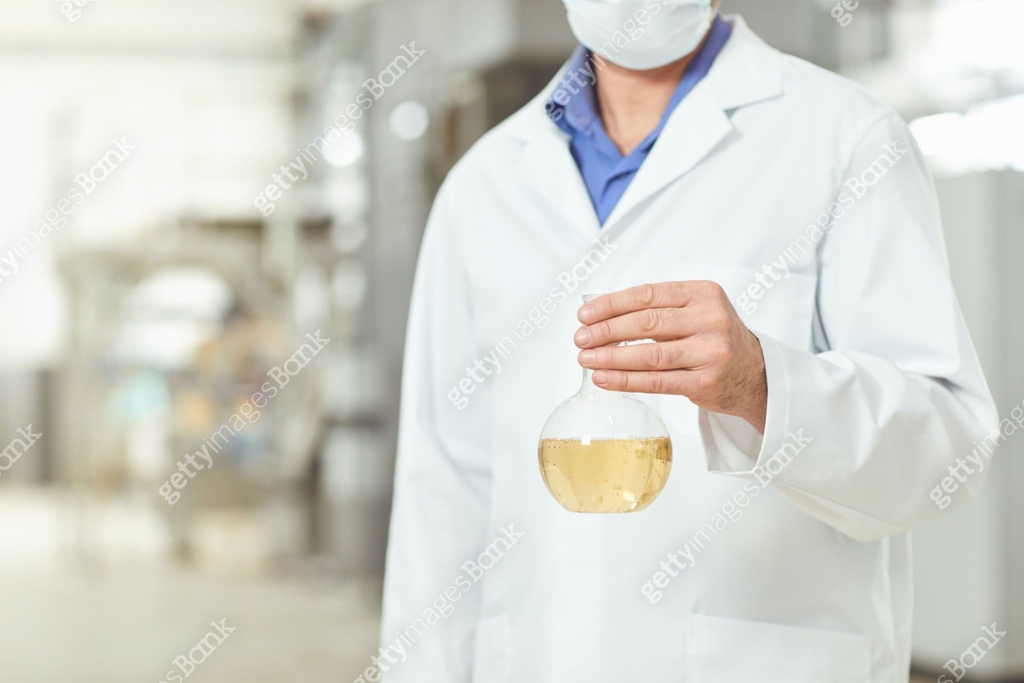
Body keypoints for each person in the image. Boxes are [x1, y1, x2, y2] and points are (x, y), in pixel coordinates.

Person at [379, 1, 998, 681]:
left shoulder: (847, 139)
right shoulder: (482, 186)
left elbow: (948, 453)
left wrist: (763, 385)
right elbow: (442, 495)